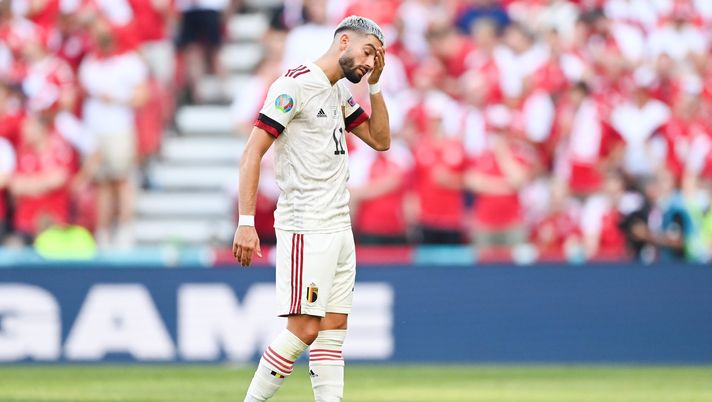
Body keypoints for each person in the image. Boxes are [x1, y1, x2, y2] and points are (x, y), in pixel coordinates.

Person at [232, 16, 390, 402]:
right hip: (307, 222)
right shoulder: (294, 84)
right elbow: (253, 151)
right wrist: (246, 221)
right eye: (368, 52)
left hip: (339, 224)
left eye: (377, 58)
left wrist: (376, 85)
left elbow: (380, 140)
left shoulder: (337, 91)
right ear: (344, 41)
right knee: (303, 329)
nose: (370, 62)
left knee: (333, 330)